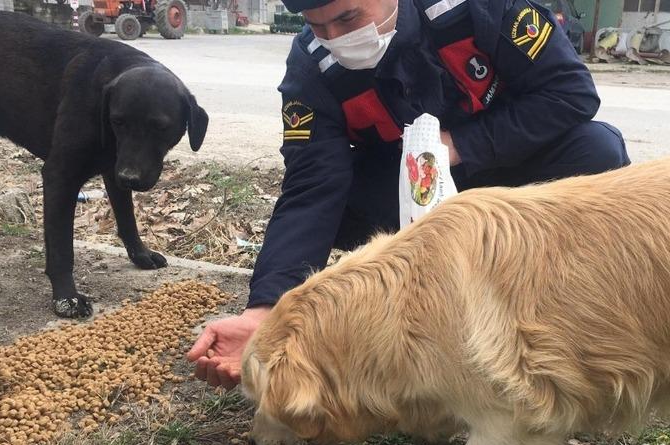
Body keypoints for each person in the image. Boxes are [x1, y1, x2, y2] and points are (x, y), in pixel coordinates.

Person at [187, 0, 630, 388]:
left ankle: (557, 302)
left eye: (347, 18)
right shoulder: (312, 67)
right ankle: (424, 298)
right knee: (334, 211)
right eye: (318, 27)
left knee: (598, 152)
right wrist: (266, 310)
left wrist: (462, 146)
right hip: (413, 191)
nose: (337, 39)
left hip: (509, 172)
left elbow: (569, 92)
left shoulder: (475, 9)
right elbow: (311, 187)